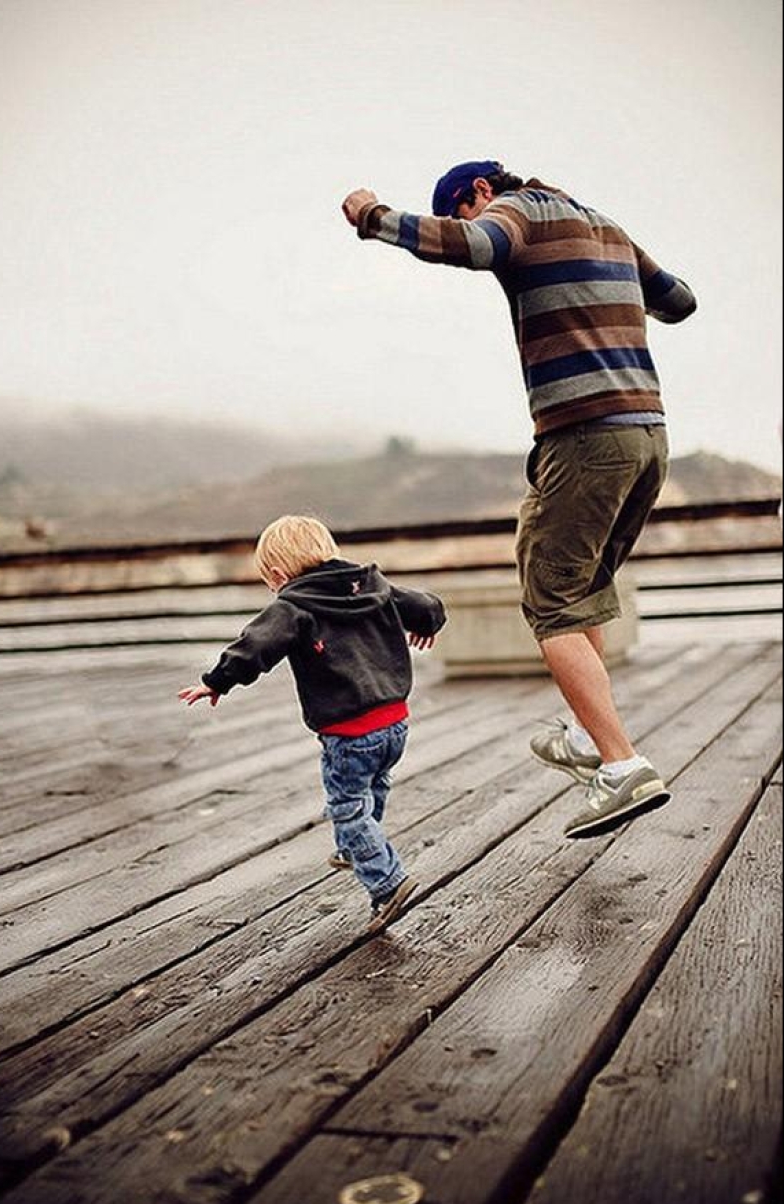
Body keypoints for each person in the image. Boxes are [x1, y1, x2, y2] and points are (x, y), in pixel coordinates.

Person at [342, 161, 697, 839]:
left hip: (585, 437)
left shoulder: (519, 214)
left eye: (463, 210)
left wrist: (373, 218)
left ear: (478, 194)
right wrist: (613, 285)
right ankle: (586, 733)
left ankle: (622, 765)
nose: (469, 222)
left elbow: (475, 245)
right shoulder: (606, 227)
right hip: (647, 435)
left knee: (551, 604)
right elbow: (678, 300)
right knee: (583, 588)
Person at [178, 514, 446, 930]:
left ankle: (387, 882)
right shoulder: (373, 584)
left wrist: (216, 682)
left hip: (350, 731)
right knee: (373, 787)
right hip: (395, 723)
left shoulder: (293, 604)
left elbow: (255, 646)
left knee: (346, 806)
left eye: (270, 581)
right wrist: (428, 624)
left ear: (280, 574)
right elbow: (426, 605)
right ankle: (351, 847)